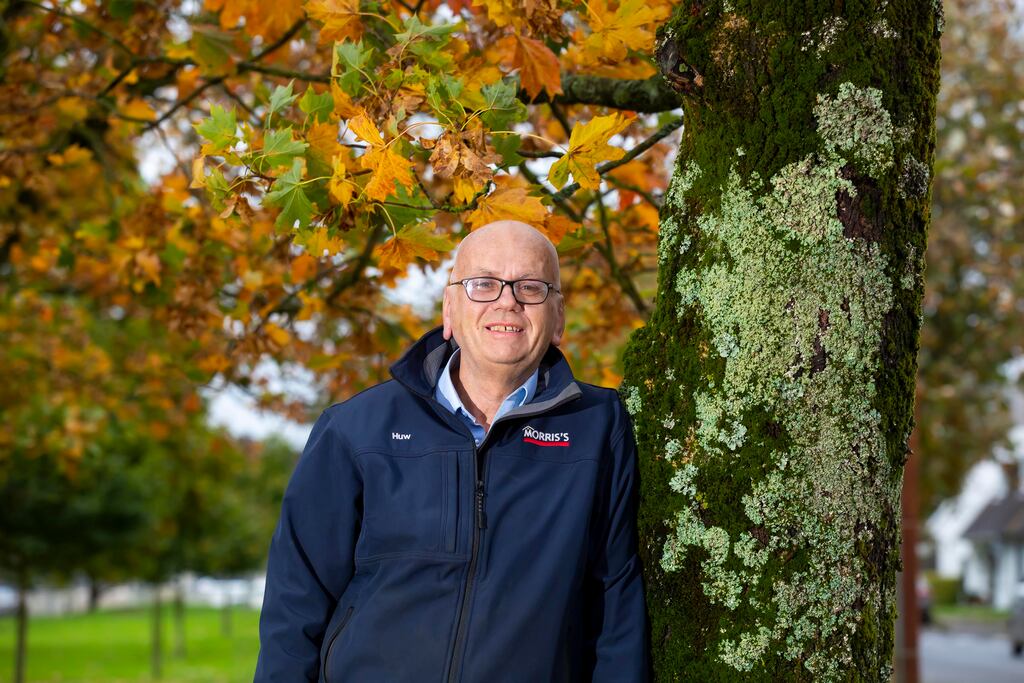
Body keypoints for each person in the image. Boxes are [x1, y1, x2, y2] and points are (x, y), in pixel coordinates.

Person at [253, 220, 650, 682]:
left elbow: (616, 604)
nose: (508, 300)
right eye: (483, 284)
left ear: (558, 317)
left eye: (531, 286)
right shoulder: (355, 430)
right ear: (449, 309)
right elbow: (294, 603)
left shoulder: (598, 427)